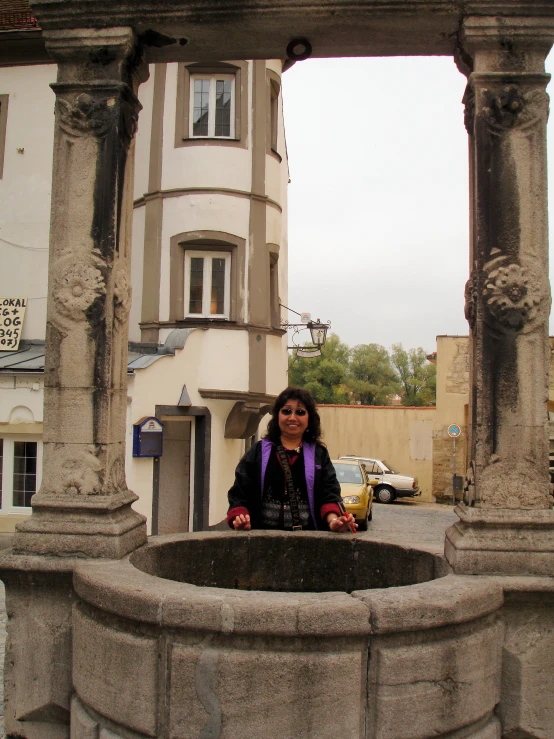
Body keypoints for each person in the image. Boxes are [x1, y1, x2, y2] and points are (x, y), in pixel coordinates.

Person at [227, 386, 356, 532]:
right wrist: (241, 518)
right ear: (277, 416)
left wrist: (334, 521)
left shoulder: (319, 454)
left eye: (300, 412)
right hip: (262, 541)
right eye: (286, 411)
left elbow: (329, 493)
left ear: (309, 419)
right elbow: (240, 492)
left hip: (307, 543)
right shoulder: (259, 451)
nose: (292, 417)